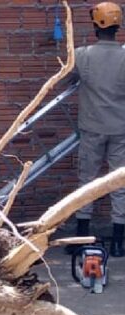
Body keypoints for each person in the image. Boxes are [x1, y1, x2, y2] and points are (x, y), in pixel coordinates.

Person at [65, 2, 125, 257]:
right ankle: (119, 242)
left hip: (92, 128)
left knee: (86, 182)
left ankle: (81, 238)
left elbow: (69, 78)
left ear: (95, 26)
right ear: (117, 26)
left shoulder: (82, 55)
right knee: (120, 184)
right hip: (120, 127)